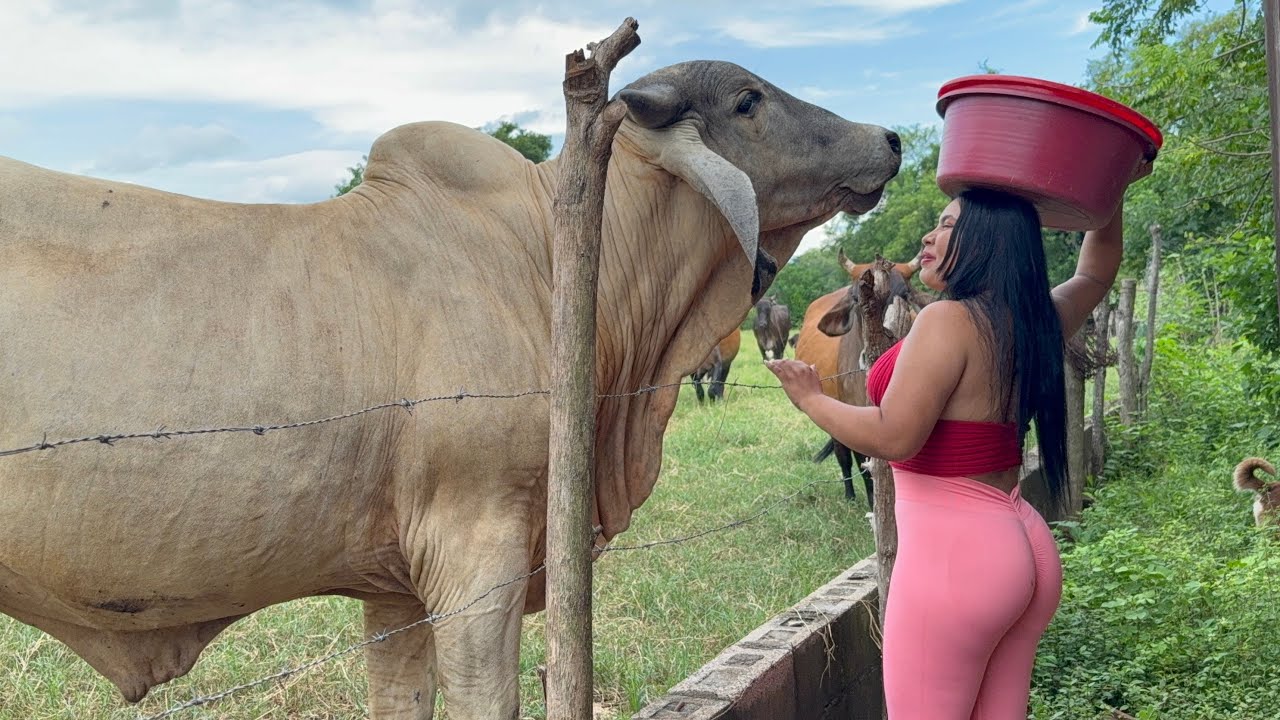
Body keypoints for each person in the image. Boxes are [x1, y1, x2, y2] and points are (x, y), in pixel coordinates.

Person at [766, 186, 1129, 719]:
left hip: (957, 559)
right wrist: (1111, 187)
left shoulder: (948, 319)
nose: (927, 236)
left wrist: (811, 399)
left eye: (945, 225)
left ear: (987, 242)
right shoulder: (1032, 319)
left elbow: (895, 437)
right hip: (1019, 540)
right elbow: (1097, 272)